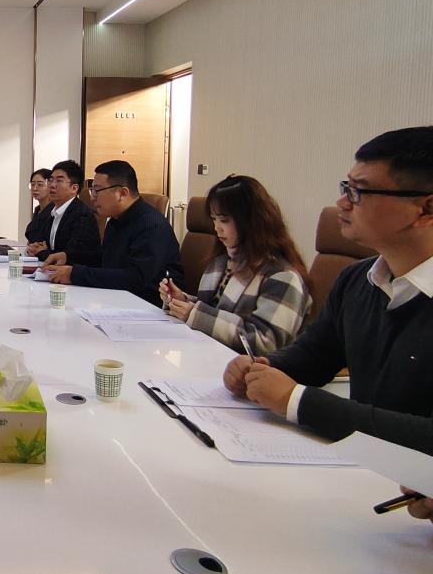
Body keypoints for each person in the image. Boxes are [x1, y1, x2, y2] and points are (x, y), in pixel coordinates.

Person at [223, 127, 433, 455]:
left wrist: (297, 401)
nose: (342, 203)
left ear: (426, 209)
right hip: (358, 464)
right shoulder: (357, 280)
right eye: (346, 187)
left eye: (359, 192)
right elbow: (314, 356)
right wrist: (263, 367)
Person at [159, 175, 311, 354]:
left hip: (251, 368)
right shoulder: (220, 263)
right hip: (210, 357)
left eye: (224, 220)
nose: (217, 228)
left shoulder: (283, 276)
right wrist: (183, 302)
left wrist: (194, 314)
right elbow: (213, 310)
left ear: (250, 221)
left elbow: (265, 342)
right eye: (214, 219)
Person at [44, 160, 182, 306]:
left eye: (97, 191)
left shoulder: (151, 225)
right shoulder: (115, 220)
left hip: (150, 306)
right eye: (92, 191)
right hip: (117, 299)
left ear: (122, 193)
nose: (92, 197)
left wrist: (75, 274)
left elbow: (136, 278)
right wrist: (67, 257)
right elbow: (104, 259)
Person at [26, 160, 100, 265]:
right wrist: (36, 248)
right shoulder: (53, 213)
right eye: (51, 180)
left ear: (74, 188)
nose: (52, 185)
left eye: (59, 181)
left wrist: (42, 252)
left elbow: (71, 257)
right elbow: (44, 246)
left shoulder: (82, 215)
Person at [24, 168, 54, 245]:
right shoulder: (37, 210)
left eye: (40, 185)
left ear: (51, 186)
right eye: (32, 184)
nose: (35, 188)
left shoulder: (54, 211)